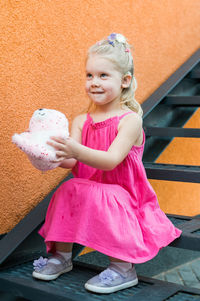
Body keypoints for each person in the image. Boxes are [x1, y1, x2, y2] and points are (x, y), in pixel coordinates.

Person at [32, 33, 182, 294]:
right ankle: (63, 256)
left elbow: (111, 161)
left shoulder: (129, 120)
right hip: (92, 192)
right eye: (89, 75)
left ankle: (124, 268)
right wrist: (50, 155)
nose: (94, 82)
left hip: (124, 195)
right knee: (68, 188)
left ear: (124, 81)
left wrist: (75, 149)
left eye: (103, 76)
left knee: (106, 195)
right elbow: (71, 161)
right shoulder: (81, 120)